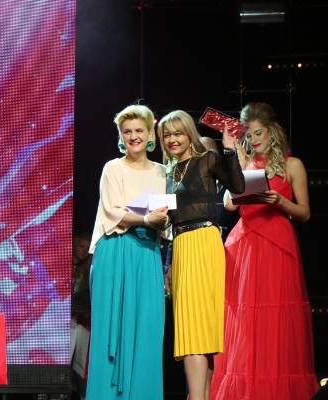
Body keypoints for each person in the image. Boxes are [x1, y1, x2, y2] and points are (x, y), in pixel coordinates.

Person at [210, 102, 318, 399]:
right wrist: (235, 155)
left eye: (259, 133)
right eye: (249, 134)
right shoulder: (245, 162)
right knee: (244, 318)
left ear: (272, 132)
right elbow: (229, 204)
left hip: (276, 243)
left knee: (276, 317)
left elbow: (305, 213)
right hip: (244, 245)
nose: (254, 139)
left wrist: (279, 201)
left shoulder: (292, 164)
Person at [159, 110, 245, 400]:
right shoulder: (169, 173)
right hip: (181, 246)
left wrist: (229, 150)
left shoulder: (207, 159)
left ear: (189, 134)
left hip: (204, 242)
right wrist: (170, 265)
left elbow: (239, 187)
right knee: (194, 329)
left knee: (197, 329)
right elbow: (171, 222)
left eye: (178, 133)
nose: (173, 139)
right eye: (167, 135)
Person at [86, 104, 169, 400]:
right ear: (121, 136)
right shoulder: (113, 168)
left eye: (139, 130)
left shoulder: (162, 172)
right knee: (111, 331)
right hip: (115, 250)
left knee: (147, 328)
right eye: (127, 131)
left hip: (147, 253)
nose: (134, 136)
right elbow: (113, 211)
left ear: (150, 135)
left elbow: (166, 214)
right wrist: (146, 219)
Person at [70, 232, 92, 400]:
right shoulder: (62, 266)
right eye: (81, 246)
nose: (84, 250)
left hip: (81, 322)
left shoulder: (87, 271)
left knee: (81, 365)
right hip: (63, 322)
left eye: (87, 247)